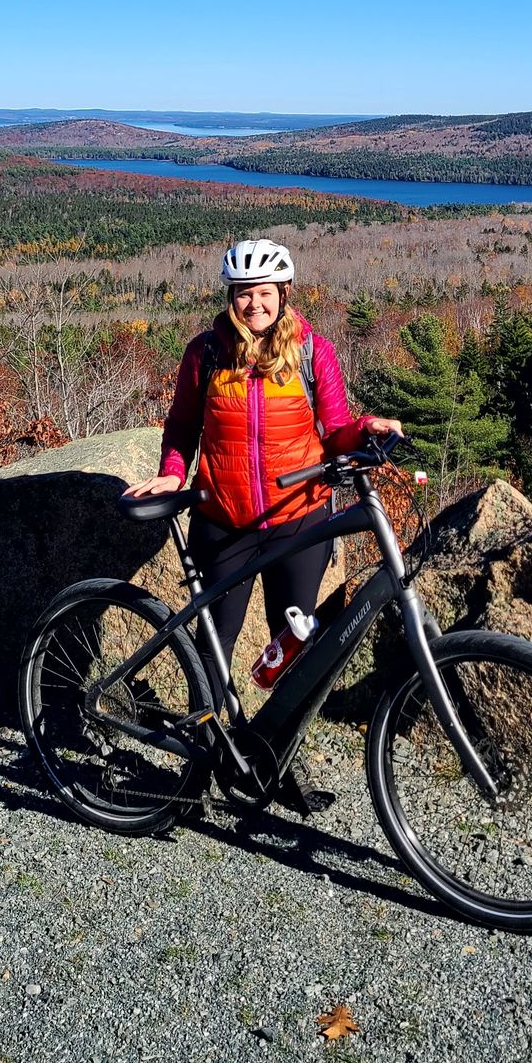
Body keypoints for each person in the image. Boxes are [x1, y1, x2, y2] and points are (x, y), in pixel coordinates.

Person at [126, 237, 403, 807]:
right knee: (215, 652)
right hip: (221, 519)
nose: (256, 303)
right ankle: (199, 770)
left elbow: (335, 429)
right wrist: (173, 474)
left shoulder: (311, 352)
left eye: (265, 292)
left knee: (297, 648)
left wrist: (368, 428)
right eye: (244, 293)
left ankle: (279, 763)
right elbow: (181, 427)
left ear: (283, 294)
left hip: (296, 520)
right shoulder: (205, 354)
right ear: (232, 297)